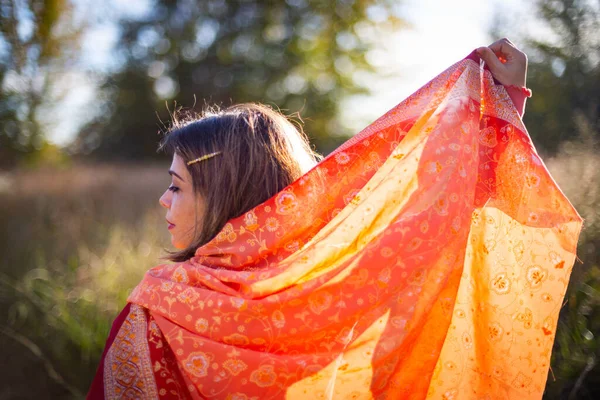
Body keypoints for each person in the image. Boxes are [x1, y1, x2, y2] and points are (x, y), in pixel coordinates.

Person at [87, 39, 581, 399]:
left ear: (227, 195)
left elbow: (435, 222)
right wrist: (504, 99)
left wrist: (498, 98)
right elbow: (435, 225)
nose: (162, 200)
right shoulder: (323, 285)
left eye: (176, 186)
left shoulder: (164, 304)